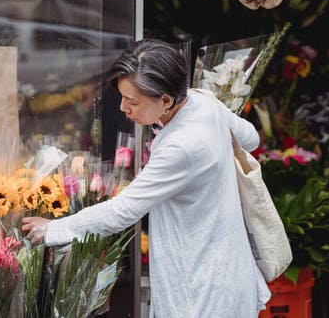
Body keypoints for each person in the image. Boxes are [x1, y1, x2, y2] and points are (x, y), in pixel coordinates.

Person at [22, 38, 271, 317]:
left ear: (165, 100)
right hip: (228, 273)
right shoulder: (203, 101)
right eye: (122, 98)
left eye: (132, 102)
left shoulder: (182, 146)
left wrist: (52, 230)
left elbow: (123, 210)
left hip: (202, 291)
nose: (123, 109)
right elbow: (249, 137)